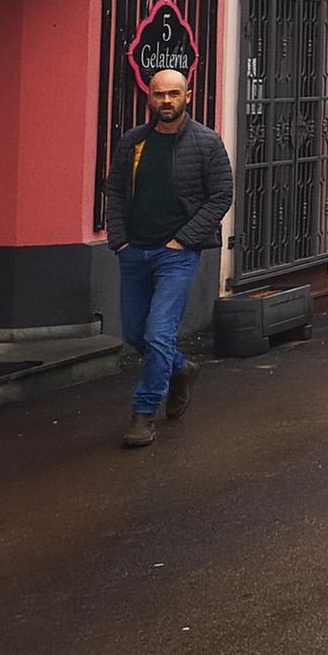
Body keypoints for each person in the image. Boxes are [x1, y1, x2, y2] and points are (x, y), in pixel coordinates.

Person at [103, 69, 233, 449]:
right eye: (159, 94)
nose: (166, 101)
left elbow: (221, 195)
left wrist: (184, 240)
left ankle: (143, 414)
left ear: (187, 96)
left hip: (175, 255)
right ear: (149, 96)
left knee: (158, 332)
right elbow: (114, 191)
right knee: (133, 334)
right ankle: (181, 369)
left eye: (174, 94)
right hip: (134, 251)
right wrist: (120, 240)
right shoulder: (133, 142)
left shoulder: (207, 143)